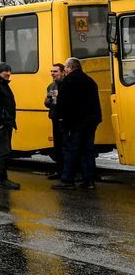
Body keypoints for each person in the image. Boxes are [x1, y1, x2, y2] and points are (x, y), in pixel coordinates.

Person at [53, 57, 102, 190]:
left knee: (71, 151)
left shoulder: (68, 81)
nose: (65, 70)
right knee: (88, 151)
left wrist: (61, 120)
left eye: (66, 67)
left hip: (74, 123)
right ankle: (89, 181)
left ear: (70, 67)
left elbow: (63, 104)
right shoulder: (90, 81)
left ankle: (67, 180)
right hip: (91, 122)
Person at [44, 63, 65, 179]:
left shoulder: (67, 85)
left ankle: (68, 172)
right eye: (52, 71)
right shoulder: (51, 86)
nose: (53, 74)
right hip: (55, 118)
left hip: (65, 119)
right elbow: (50, 101)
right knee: (57, 146)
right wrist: (47, 102)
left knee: (66, 146)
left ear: (62, 72)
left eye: (55, 71)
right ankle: (60, 170)